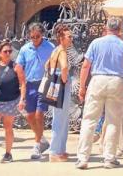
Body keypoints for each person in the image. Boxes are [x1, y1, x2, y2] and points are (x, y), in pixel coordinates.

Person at [76, 16, 123, 169]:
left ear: (107, 27)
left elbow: (85, 66)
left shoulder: (96, 43)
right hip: (116, 81)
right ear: (120, 29)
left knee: (89, 120)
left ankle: (83, 158)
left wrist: (82, 87)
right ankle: (109, 158)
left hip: (98, 79)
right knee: (113, 121)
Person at [16, 22, 55, 160]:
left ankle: (37, 145)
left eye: (37, 36)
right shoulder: (25, 49)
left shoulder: (50, 47)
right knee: (30, 116)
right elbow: (19, 66)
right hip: (29, 85)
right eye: (32, 37)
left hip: (43, 83)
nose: (35, 39)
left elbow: (55, 64)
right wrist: (21, 83)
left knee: (39, 115)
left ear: (42, 35)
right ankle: (43, 140)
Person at [45, 23, 74, 162]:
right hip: (61, 85)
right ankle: (55, 152)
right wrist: (64, 80)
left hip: (53, 83)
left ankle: (60, 150)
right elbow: (64, 68)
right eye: (69, 36)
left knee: (60, 117)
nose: (71, 39)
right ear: (61, 37)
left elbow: (47, 65)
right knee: (60, 118)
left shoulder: (55, 50)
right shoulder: (62, 51)